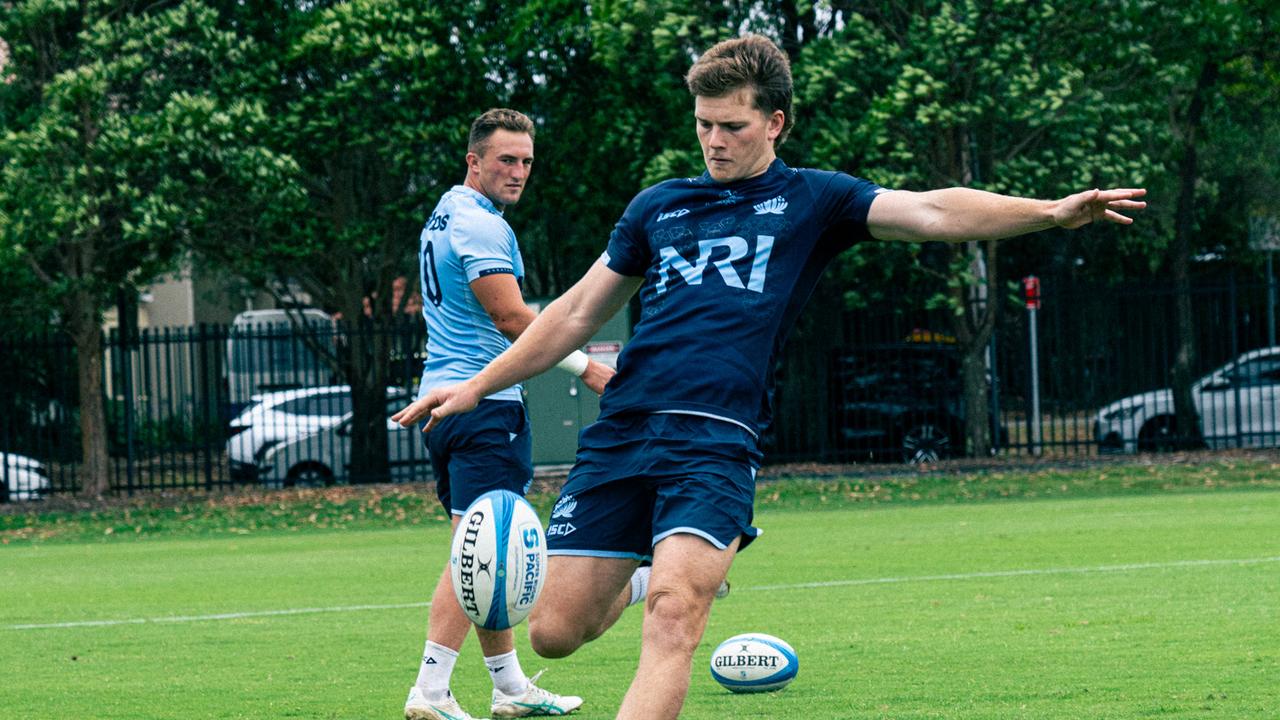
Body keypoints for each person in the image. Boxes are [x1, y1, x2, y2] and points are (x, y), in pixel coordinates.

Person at [394, 36, 1147, 720]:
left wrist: (1050, 212)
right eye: (703, 125)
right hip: (623, 429)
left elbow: (932, 211)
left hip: (716, 438)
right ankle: (660, 561)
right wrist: (475, 387)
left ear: (775, 122)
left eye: (733, 126)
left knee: (673, 617)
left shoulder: (814, 201)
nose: (714, 141)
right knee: (555, 632)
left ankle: (679, 570)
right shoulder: (660, 206)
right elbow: (572, 315)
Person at [400, 108, 612, 720]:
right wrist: (590, 367)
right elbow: (514, 318)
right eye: (505, 161)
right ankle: (431, 692)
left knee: (481, 552)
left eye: (526, 162)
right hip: (483, 407)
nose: (518, 172)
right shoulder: (483, 228)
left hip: (449, 406)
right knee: (481, 555)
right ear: (475, 161)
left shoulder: (446, 211)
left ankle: (511, 688)